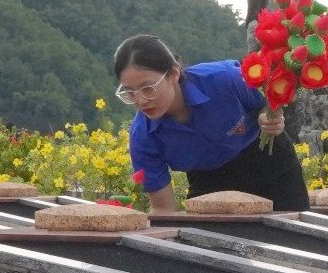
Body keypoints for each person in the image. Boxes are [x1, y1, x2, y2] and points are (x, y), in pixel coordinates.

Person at [113, 35, 308, 212]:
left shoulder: (224, 79)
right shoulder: (143, 136)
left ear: (174, 74)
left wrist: (270, 118)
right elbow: (163, 209)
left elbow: (268, 102)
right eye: (130, 93)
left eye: (148, 88)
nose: (140, 101)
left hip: (270, 165)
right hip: (208, 185)